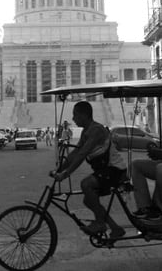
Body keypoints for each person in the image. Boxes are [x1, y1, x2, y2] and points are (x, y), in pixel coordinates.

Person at [53, 101, 127, 238]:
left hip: (115, 170)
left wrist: (65, 174)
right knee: (88, 200)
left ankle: (100, 223)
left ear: (84, 115)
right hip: (104, 171)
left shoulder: (96, 130)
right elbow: (75, 154)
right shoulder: (86, 131)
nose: (73, 118)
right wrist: (59, 170)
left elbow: (82, 154)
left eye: (75, 115)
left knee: (86, 184)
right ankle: (115, 228)